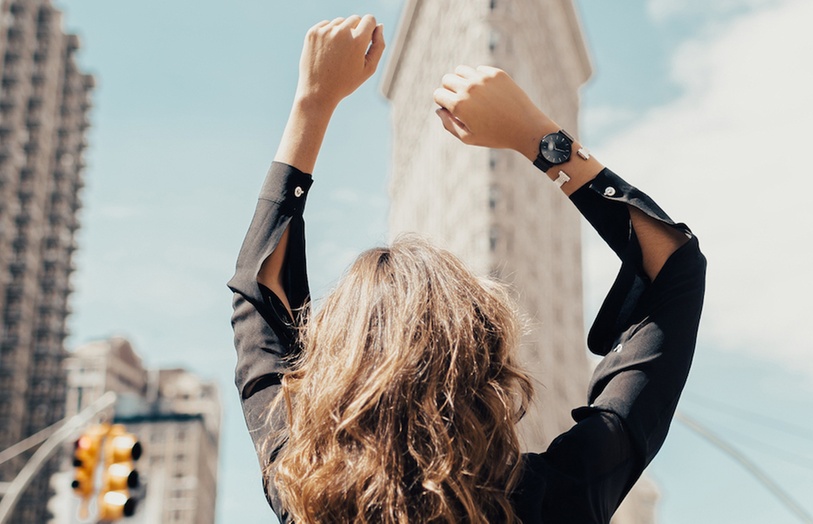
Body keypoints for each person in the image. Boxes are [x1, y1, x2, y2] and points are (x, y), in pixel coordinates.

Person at [229, 14, 706, 524]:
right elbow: (674, 270)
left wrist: (312, 102)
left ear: (331, 369)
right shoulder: (558, 496)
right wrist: (538, 138)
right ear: (488, 363)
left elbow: (259, 298)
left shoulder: (304, 491)